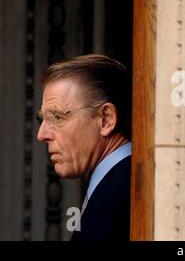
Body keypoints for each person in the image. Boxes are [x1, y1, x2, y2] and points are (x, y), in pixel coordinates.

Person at [36, 54, 132, 240]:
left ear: (105, 119)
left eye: (57, 117)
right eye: (43, 119)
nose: (41, 135)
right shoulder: (116, 185)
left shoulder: (129, 191)